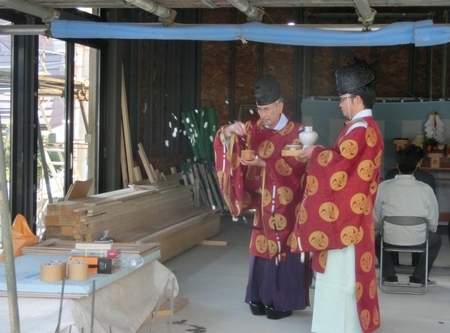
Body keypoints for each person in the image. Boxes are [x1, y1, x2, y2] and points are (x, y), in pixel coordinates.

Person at [292, 62, 382, 333]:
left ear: (356, 99)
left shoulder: (360, 129)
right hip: (355, 216)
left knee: (340, 279)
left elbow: (339, 167)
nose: (340, 105)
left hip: (346, 222)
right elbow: (343, 162)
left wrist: (315, 154)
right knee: (346, 278)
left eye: (342, 99)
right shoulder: (363, 127)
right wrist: (321, 152)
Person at [213, 75, 310, 320]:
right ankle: (257, 297)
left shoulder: (298, 132)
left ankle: (282, 301)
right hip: (263, 201)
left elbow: (298, 168)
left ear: (280, 106)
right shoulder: (253, 128)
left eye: (267, 109)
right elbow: (228, 142)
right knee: (260, 247)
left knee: (283, 250)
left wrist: (263, 163)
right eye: (259, 109)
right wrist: (228, 131)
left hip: (288, 204)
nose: (262, 114)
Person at [374, 145, 442, 286]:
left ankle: (389, 276)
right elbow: (433, 224)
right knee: (436, 239)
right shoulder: (426, 189)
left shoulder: (383, 186)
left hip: (389, 238)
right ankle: (418, 278)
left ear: (397, 165)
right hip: (419, 240)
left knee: (376, 238)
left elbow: (375, 219)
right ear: (418, 164)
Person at [384, 144, 436, 266]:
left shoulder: (389, 177)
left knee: (382, 232)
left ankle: (391, 266)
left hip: (391, 232)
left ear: (398, 164)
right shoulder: (428, 179)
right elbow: (431, 212)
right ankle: (418, 267)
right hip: (418, 232)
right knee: (426, 229)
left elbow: (379, 213)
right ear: (419, 162)